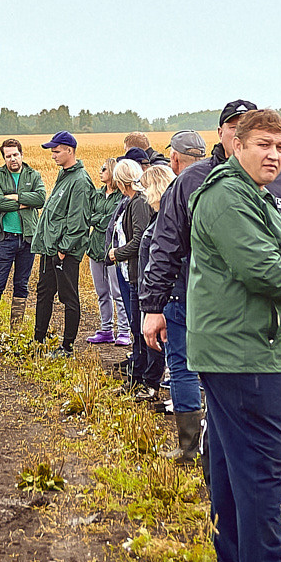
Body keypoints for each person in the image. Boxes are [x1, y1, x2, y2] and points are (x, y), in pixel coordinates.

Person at [186, 108, 281, 562]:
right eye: (263, 144)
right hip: (245, 352)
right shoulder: (226, 197)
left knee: (227, 465)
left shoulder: (246, 194)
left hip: (240, 348)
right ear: (236, 144)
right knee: (262, 467)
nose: (274, 155)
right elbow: (261, 268)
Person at [136, 127, 215, 459]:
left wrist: (156, 302)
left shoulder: (177, 190)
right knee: (215, 368)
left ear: (175, 159)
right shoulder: (226, 183)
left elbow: (162, 248)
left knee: (182, 366)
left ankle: (189, 446)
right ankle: (214, 441)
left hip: (181, 293)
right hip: (217, 297)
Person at [111, 158, 168, 395]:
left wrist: (116, 254)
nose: (142, 193)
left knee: (147, 333)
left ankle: (150, 381)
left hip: (146, 283)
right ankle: (142, 377)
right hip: (141, 280)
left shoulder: (151, 212)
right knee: (139, 329)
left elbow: (141, 243)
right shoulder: (152, 212)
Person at [35, 130, 94, 352]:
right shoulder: (65, 175)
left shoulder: (79, 181)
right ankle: (37, 340)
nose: (53, 155)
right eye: (52, 151)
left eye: (57, 151)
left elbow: (78, 221)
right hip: (51, 248)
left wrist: (63, 249)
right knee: (44, 293)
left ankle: (67, 347)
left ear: (70, 151)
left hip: (64, 251)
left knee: (69, 298)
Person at [0, 138, 45, 334]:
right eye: (8, 156)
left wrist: (15, 197)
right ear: (4, 158)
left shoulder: (33, 175)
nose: (12, 159)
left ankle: (15, 330)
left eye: (15, 155)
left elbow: (41, 199)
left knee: (21, 283)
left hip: (27, 238)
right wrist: (27, 202)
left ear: (22, 154)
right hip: (5, 238)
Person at [94, 158, 143, 349]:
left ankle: (138, 354)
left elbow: (138, 240)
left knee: (131, 310)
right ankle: (137, 357)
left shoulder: (137, 202)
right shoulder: (128, 201)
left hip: (131, 266)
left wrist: (117, 253)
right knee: (132, 315)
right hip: (122, 264)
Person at [85, 159, 124, 344]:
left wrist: (97, 219)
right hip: (95, 247)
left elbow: (109, 221)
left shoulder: (121, 196)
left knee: (118, 292)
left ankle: (124, 331)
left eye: (104, 169)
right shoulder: (97, 194)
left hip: (112, 249)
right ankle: (106, 329)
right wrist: (98, 219)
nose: (100, 172)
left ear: (113, 172)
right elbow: (88, 217)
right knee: (102, 292)